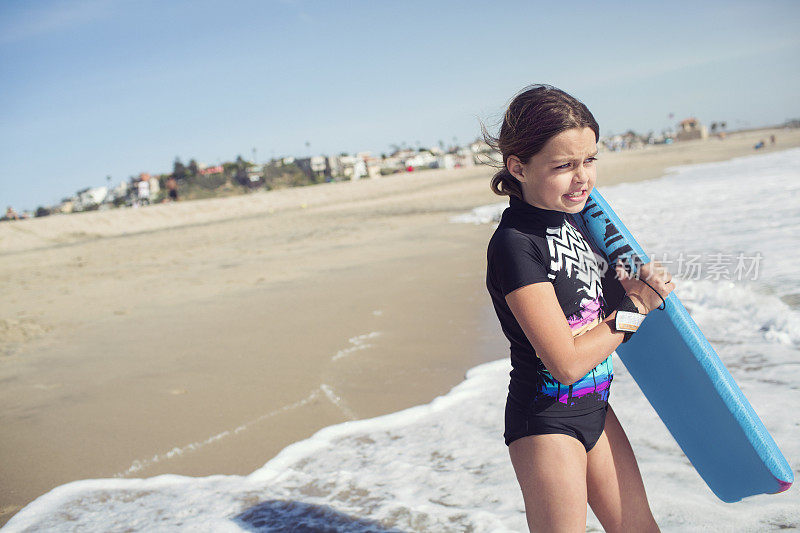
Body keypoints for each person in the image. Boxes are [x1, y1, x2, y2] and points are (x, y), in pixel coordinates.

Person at [484, 85, 673, 532]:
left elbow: (597, 311)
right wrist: (637, 308)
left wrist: (631, 288)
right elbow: (566, 362)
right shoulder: (515, 245)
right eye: (564, 166)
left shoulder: (580, 219)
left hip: (597, 410)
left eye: (589, 160)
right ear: (518, 167)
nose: (582, 177)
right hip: (547, 421)